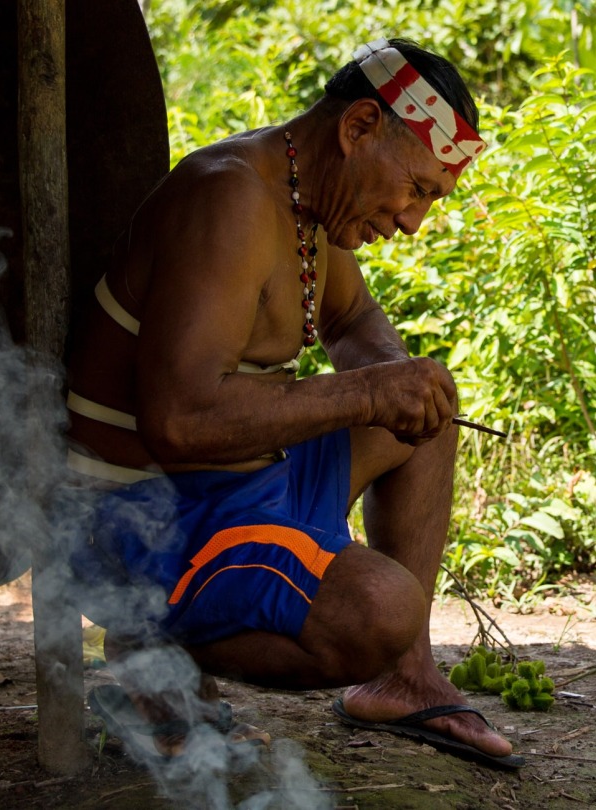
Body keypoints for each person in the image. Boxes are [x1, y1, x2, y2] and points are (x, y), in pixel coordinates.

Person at [65, 37, 523, 768]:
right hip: (141, 519)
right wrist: (369, 391)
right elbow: (179, 421)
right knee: (380, 606)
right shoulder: (232, 198)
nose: (412, 221)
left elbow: (356, 322)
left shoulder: (306, 199)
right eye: (418, 189)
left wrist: (392, 387)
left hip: (238, 484)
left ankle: (405, 679)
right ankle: (149, 665)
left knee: (426, 415)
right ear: (358, 129)